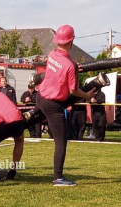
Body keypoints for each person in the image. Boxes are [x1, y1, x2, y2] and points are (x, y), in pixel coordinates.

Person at [36, 24, 95, 186]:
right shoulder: (71, 65)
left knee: (29, 121)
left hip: (40, 97)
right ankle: (58, 177)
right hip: (53, 104)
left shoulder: (52, 54)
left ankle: (27, 117)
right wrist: (87, 95)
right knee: (61, 141)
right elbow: (74, 90)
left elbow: (59, 68)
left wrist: (73, 66)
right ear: (72, 40)